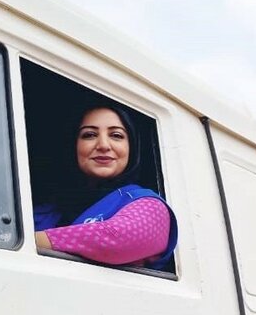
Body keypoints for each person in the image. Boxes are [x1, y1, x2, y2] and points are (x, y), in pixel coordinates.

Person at [33, 104, 177, 269]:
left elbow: (117, 237)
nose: (103, 145)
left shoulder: (148, 204)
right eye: (89, 135)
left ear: (132, 147)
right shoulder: (48, 210)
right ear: (74, 145)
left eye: (116, 135)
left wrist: (30, 241)